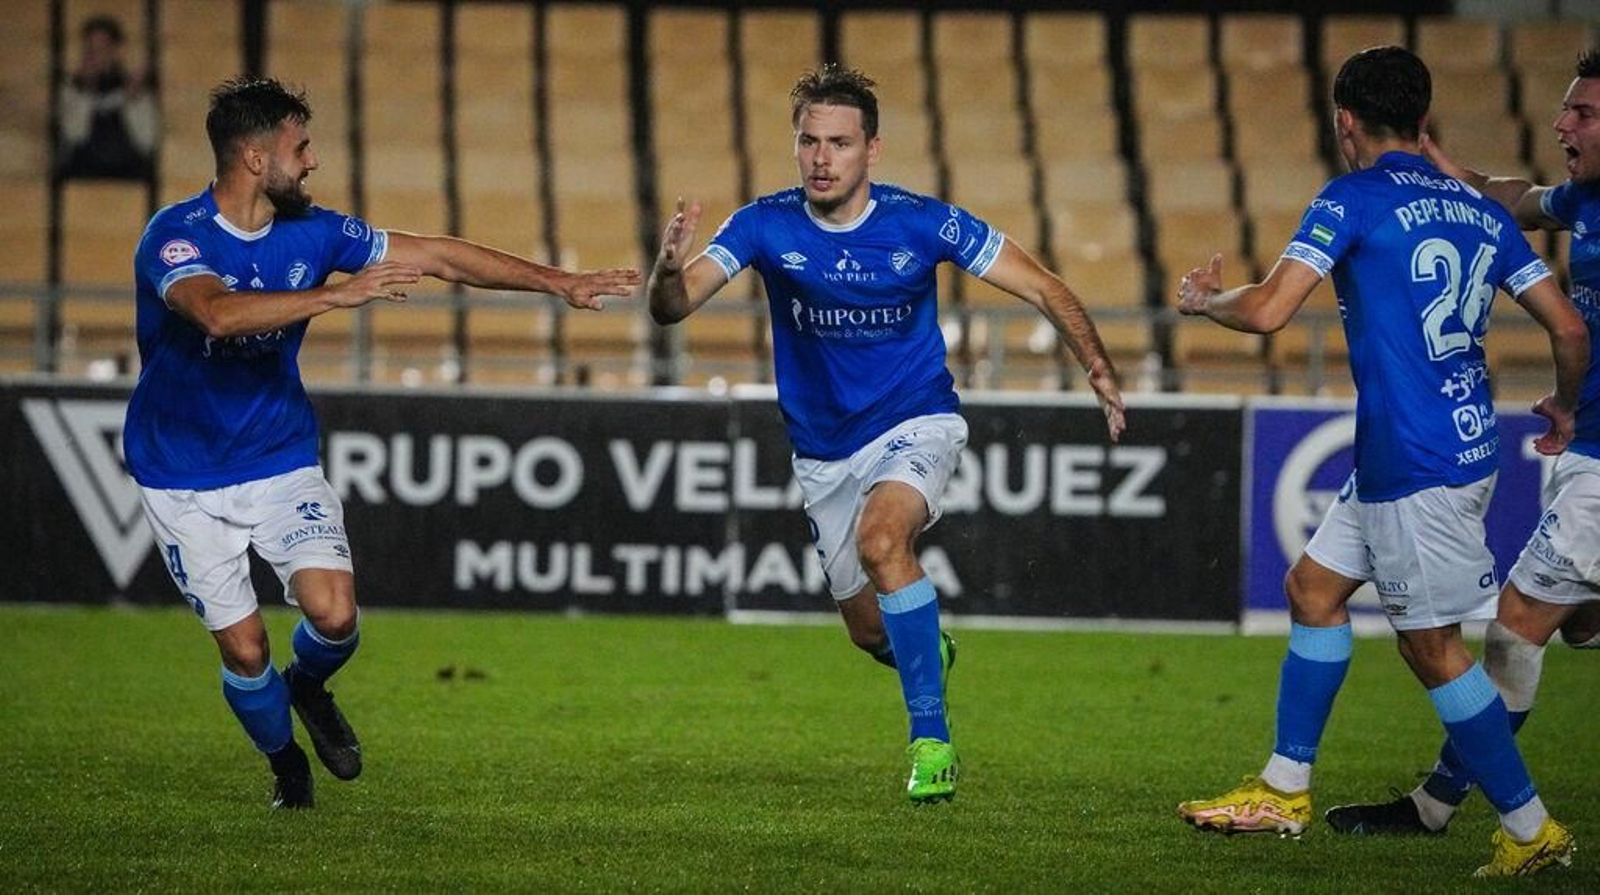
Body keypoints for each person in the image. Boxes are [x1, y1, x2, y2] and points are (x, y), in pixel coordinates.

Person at [125, 77, 640, 809]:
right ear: (254, 157)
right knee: (244, 648)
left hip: (277, 455)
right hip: (180, 473)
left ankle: (308, 685)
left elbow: (438, 256)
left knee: (336, 616)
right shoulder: (175, 235)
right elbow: (213, 314)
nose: (312, 162)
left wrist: (558, 282)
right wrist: (332, 295)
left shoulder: (316, 231)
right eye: (301, 148)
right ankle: (288, 769)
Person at [647, 64, 1126, 803]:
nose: (821, 159)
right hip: (823, 451)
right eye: (809, 141)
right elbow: (674, 306)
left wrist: (1094, 362)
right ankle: (925, 647)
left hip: (915, 418)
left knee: (882, 542)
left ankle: (931, 741)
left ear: (872, 148)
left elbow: (1041, 284)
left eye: (839, 143)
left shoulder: (922, 222)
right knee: (870, 633)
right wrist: (664, 271)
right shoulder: (762, 224)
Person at [1171, 47, 1588, 877]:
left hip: (1414, 455)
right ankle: (1283, 788)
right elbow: (1570, 329)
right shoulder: (1480, 211)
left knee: (1431, 647)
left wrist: (1207, 300)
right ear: (1423, 122)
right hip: (1458, 441)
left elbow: (1269, 310)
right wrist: (1567, 405)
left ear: (1345, 121)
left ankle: (1532, 828)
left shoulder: (1352, 197)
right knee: (1312, 589)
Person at [1322, 47, 1600, 842]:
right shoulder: (1581, 199)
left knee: (1513, 629)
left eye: (1583, 113)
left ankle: (1450, 809)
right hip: (1584, 448)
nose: (1561, 122)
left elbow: (1569, 328)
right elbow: (1511, 199)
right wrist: (1436, 165)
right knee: (1568, 620)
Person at [56, 15, 158, 180]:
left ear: (116, 50)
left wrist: (134, 98)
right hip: (83, 171)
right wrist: (85, 88)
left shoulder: (137, 88)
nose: (96, 54)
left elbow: (147, 140)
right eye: (90, 48)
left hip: (130, 171)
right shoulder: (72, 87)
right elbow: (73, 134)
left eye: (103, 47)